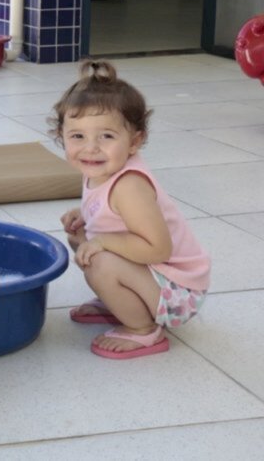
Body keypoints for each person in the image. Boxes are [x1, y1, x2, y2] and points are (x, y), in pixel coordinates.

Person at [54, 60, 211, 359]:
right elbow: (111, 214)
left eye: (107, 136)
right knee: (80, 237)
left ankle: (142, 329)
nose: (91, 148)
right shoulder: (99, 169)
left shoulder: (130, 186)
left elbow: (157, 249)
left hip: (178, 292)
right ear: (62, 134)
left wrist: (103, 243)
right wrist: (86, 214)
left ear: (134, 141)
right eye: (77, 136)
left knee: (99, 260)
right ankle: (120, 301)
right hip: (155, 278)